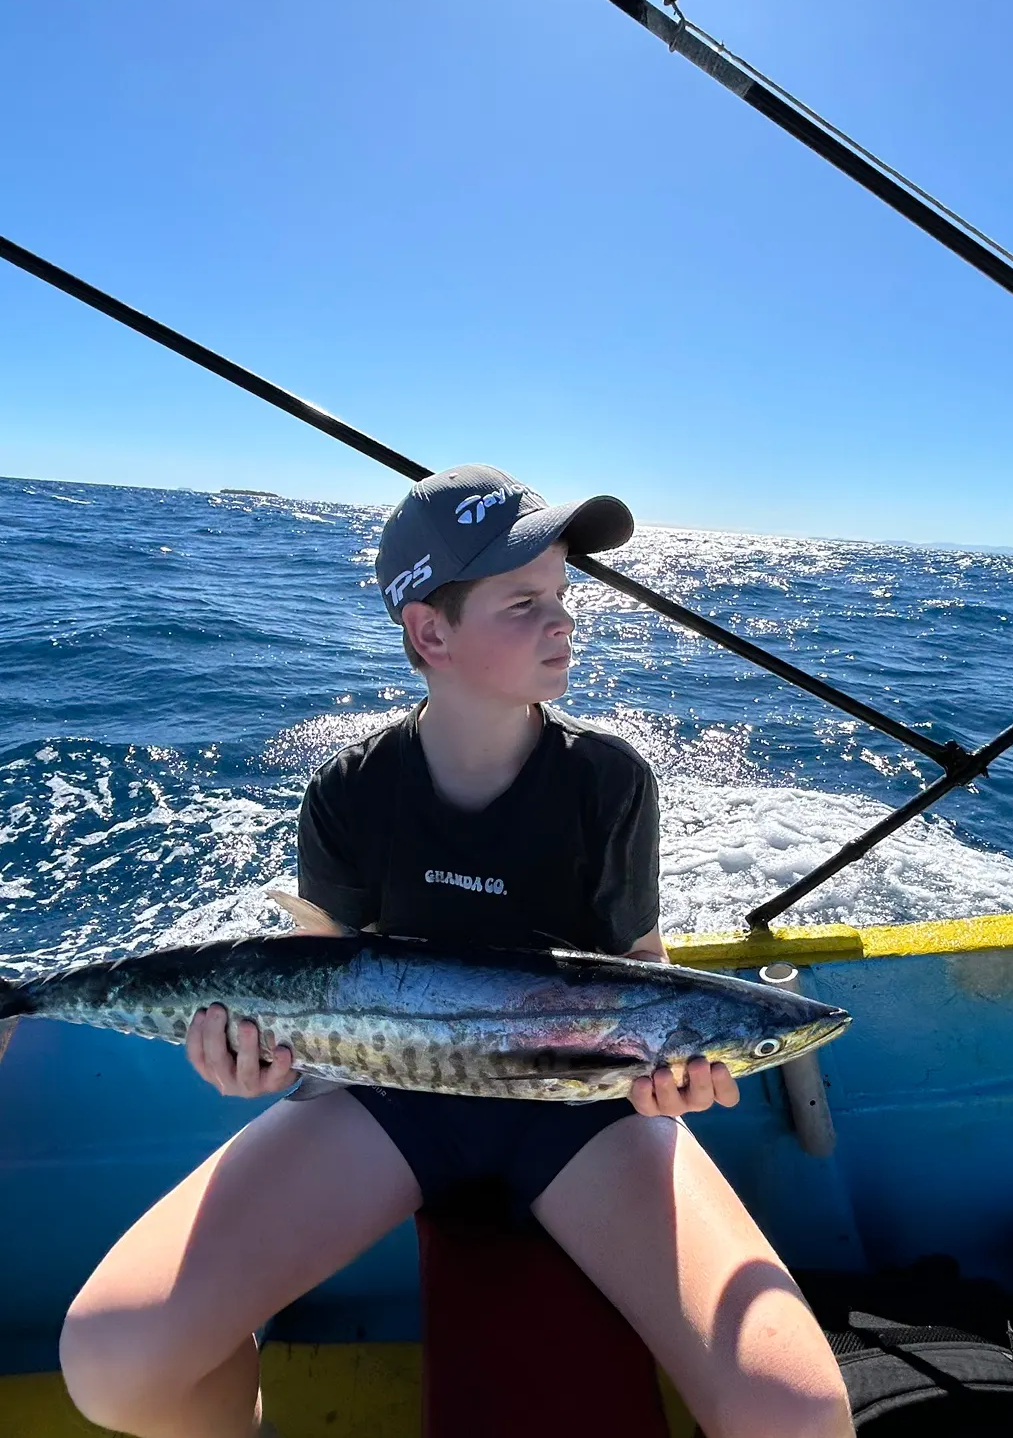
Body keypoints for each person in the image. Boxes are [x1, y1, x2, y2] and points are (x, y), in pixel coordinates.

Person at [59, 464, 855, 1438]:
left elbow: (645, 981)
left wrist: (667, 1086)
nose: (565, 622)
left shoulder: (610, 784)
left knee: (797, 1416)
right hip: (389, 1101)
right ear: (430, 632)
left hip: (585, 1119)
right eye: (525, 603)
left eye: (563, 597)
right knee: (114, 1357)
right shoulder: (351, 793)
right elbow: (316, 992)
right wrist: (257, 1062)